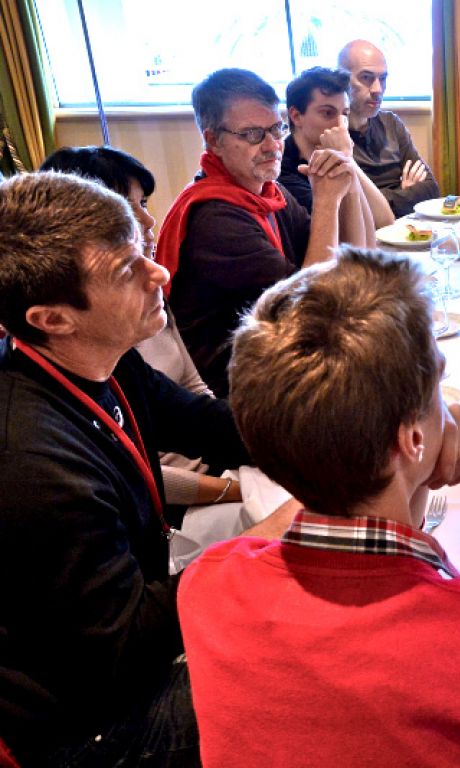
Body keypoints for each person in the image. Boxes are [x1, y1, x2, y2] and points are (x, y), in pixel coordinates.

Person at [178, 247, 460, 766]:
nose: (450, 407)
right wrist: (409, 466)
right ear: (410, 437)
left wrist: (400, 473)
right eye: (438, 384)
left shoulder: (207, 588)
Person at [0, 171, 293, 766]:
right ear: (52, 319)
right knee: (305, 678)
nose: (158, 273)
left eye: (141, 249)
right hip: (86, 726)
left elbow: (215, 426)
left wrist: (353, 429)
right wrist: (269, 537)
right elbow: (127, 643)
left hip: (129, 626)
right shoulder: (32, 465)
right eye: (124, 270)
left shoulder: (104, 359)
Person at [39, 145, 242, 508]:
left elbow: (200, 415)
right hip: (180, 502)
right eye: (126, 211)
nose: (148, 222)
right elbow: (137, 477)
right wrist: (235, 491)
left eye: (143, 204)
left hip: (206, 478)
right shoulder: (40, 442)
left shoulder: (126, 352)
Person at [155, 67, 370, 396]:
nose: (273, 146)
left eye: (276, 129)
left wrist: (347, 179)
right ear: (213, 141)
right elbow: (311, 306)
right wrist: (327, 200)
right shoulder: (215, 219)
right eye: (253, 134)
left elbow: (356, 260)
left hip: (283, 352)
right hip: (243, 387)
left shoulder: (268, 192)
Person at [279, 66, 395, 229]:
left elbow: (386, 221)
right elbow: (345, 231)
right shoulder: (282, 170)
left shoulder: (335, 151)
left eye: (344, 114)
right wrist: (346, 157)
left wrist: (348, 160)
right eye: (328, 113)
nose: (341, 125)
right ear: (296, 116)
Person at [338, 39, 440, 217]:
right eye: (366, 78)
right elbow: (351, 208)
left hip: (406, 225)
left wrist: (387, 200)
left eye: (383, 79)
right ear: (341, 80)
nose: (377, 89)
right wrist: (404, 193)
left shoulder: (391, 123)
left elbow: (431, 189)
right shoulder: (333, 135)